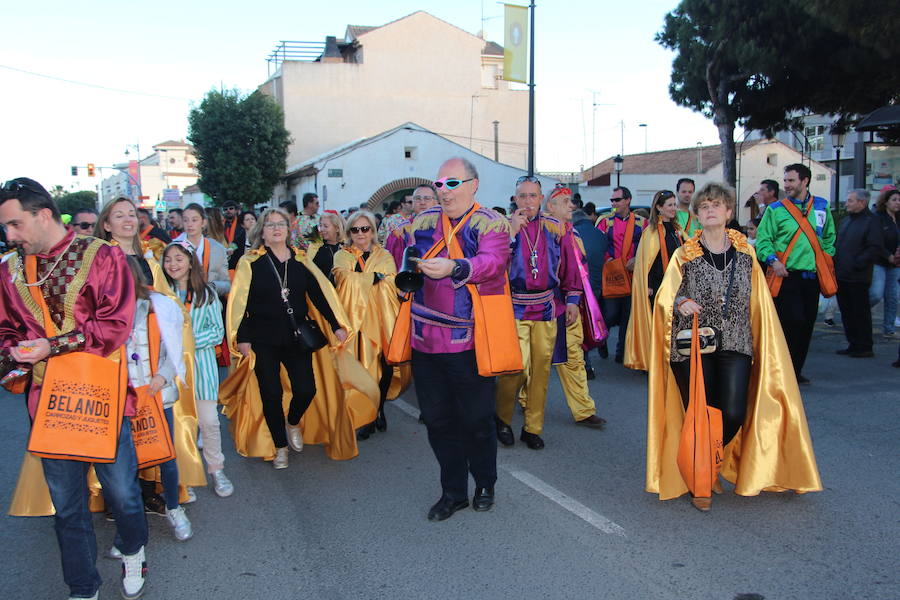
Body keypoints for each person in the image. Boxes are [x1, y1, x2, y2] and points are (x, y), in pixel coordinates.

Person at [0, 178, 148, 599]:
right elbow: (5, 332)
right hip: (46, 402)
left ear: (42, 215)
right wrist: (14, 355)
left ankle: (135, 547)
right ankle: (82, 587)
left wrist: (53, 345)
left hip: (101, 395)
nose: (9, 236)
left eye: (14, 225)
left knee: (121, 490)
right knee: (67, 505)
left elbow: (115, 325)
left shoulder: (102, 255)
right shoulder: (8, 270)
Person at [646, 181, 822, 512]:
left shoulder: (746, 253)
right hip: (694, 343)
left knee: (733, 412)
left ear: (728, 212)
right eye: (704, 206)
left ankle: (709, 460)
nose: (710, 210)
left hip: (737, 341)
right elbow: (664, 294)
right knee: (700, 412)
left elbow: (760, 302)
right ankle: (701, 479)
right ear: (697, 215)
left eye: (717, 205)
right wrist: (682, 300)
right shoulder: (685, 253)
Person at [395, 157, 513, 521]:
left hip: (470, 341)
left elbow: (493, 264)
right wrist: (407, 272)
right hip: (425, 339)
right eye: (439, 184)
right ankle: (452, 491)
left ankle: (485, 483)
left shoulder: (491, 223)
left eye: (452, 184)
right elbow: (404, 257)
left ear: (473, 185)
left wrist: (456, 266)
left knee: (477, 420)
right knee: (437, 419)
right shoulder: (423, 222)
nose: (443, 192)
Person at [229, 208, 351, 468]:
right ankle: (279, 445)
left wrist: (335, 324)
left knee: (307, 389)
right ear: (262, 231)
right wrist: (242, 336)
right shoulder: (250, 262)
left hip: (297, 336)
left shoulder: (300, 260)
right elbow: (240, 302)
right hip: (263, 337)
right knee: (271, 393)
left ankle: (292, 422)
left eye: (281, 224)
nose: (276, 229)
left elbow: (318, 295)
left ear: (288, 229)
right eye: (270, 224)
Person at [495, 176, 582, 450]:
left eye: (533, 196)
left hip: (546, 306)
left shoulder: (556, 228)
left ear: (541, 198)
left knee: (542, 372)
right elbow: (493, 266)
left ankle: (533, 428)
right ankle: (502, 419)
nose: (528, 202)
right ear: (515, 199)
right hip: (515, 307)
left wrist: (572, 299)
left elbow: (570, 266)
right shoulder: (500, 227)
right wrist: (511, 233)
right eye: (523, 196)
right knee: (515, 369)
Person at [124, 256, 193, 541]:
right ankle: (128, 528)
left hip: (157, 394)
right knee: (125, 461)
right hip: (123, 399)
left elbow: (173, 350)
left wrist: (162, 377)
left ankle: (175, 509)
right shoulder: (103, 310)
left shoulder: (160, 306)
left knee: (166, 455)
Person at [162, 241, 234, 497]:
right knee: (180, 427)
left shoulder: (207, 294)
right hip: (171, 373)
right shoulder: (161, 294)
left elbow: (217, 332)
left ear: (191, 262)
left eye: (179, 259)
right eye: (168, 259)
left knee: (209, 422)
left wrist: (186, 343)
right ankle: (185, 478)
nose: (173, 264)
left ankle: (217, 469)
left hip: (202, 369)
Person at [755, 163, 835, 384]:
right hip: (786, 277)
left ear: (805, 181)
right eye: (785, 180)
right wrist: (773, 261)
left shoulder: (821, 206)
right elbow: (763, 240)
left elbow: (829, 237)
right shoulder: (775, 209)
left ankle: (795, 371)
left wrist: (825, 258)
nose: (786, 184)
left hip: (811, 277)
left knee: (807, 324)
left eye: (791, 180)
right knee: (791, 322)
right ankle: (781, 371)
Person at [333, 210, 406, 439]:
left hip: (382, 319)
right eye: (355, 229)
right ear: (349, 232)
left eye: (365, 229)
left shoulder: (384, 255)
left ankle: (378, 409)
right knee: (361, 368)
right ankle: (366, 413)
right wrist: (373, 278)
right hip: (354, 320)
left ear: (373, 231)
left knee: (383, 366)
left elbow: (392, 281)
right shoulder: (342, 255)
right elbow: (342, 279)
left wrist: (371, 279)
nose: (361, 234)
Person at [542, 185, 605, 428]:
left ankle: (584, 410)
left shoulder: (574, 234)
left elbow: (580, 272)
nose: (572, 206)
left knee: (574, 358)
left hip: (568, 305)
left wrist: (574, 301)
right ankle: (526, 401)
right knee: (536, 360)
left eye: (572, 201)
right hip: (541, 306)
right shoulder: (537, 230)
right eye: (566, 201)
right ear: (551, 206)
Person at [625, 190, 683, 372]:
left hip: (676, 284)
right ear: (659, 208)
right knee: (658, 324)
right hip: (657, 285)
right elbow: (646, 261)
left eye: (675, 204)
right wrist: (648, 284)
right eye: (670, 205)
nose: (674, 208)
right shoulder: (650, 232)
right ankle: (656, 360)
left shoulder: (676, 229)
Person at [596, 185, 645, 363]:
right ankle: (601, 340)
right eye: (612, 200)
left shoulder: (641, 222)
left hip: (633, 277)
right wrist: (608, 259)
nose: (613, 203)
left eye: (617, 200)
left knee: (627, 317)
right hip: (612, 277)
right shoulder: (604, 221)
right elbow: (598, 245)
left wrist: (638, 259)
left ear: (627, 200)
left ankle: (621, 352)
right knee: (609, 314)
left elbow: (647, 247)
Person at [834, 189, 883, 357]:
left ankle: (864, 345)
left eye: (850, 200)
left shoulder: (871, 221)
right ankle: (853, 343)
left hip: (858, 276)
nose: (846, 203)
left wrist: (857, 264)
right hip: (842, 274)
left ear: (862, 202)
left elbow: (874, 247)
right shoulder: (846, 221)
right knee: (847, 311)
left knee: (860, 312)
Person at [572, 197, 609, 379]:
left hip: (578, 287)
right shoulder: (600, 235)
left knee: (579, 326)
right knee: (593, 319)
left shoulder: (572, 234)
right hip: (597, 286)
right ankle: (600, 342)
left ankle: (585, 363)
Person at [174, 202, 231, 298]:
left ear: (203, 222)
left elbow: (226, 284)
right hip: (181, 304)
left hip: (209, 304)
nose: (190, 224)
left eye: (194, 220)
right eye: (186, 220)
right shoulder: (173, 247)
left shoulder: (217, 248)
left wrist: (211, 287)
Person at [869, 187, 899, 337]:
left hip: (896, 264)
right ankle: (858, 311)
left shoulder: (898, 219)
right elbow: (877, 242)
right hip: (880, 262)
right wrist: (888, 256)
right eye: (894, 200)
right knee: (876, 294)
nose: (897, 203)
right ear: (886, 202)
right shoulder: (878, 218)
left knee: (893, 296)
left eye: (899, 200)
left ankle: (889, 328)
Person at [385, 184, 438, 268]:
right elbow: (392, 261)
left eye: (427, 198)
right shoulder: (401, 230)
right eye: (417, 199)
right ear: (412, 203)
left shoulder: (445, 226)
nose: (422, 202)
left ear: (436, 202)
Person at [310, 210, 346, 283]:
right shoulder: (316, 247)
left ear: (337, 228)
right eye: (320, 225)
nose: (322, 229)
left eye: (326, 226)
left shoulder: (347, 248)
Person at [222, 200, 247, 271]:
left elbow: (238, 239)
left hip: (238, 260)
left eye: (231, 208)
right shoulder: (221, 225)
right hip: (224, 261)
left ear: (236, 210)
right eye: (225, 209)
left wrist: (232, 247)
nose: (228, 211)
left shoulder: (241, 223)